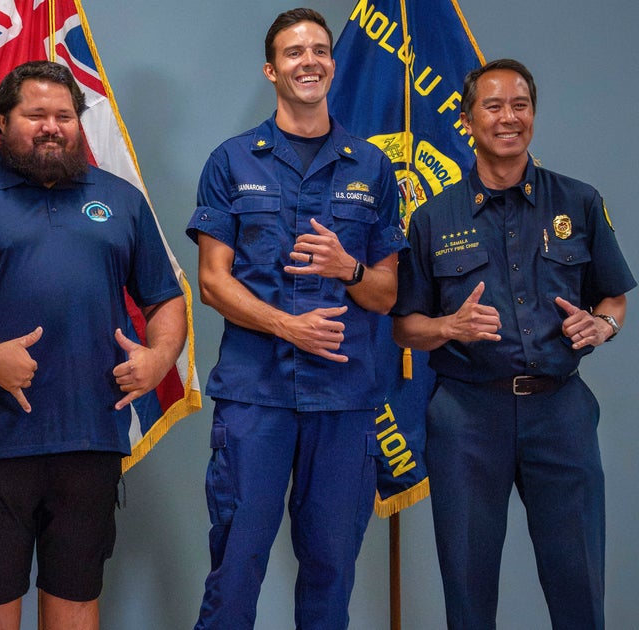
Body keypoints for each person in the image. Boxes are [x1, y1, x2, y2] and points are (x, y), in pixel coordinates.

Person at [0, 60, 186, 630]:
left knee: (77, 592)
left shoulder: (121, 200)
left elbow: (165, 299)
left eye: (64, 116)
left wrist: (159, 358)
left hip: (90, 434)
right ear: (4, 121)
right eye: (36, 115)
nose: (52, 126)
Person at [392, 58, 634, 629]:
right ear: (469, 120)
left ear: (533, 115)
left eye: (520, 106)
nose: (509, 118)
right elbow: (404, 326)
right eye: (494, 107)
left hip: (560, 411)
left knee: (578, 579)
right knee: (468, 585)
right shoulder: (432, 217)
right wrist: (448, 327)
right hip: (468, 417)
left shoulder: (579, 202)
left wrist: (603, 327)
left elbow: (613, 300)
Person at [186, 8, 406, 629]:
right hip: (256, 396)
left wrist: (350, 269)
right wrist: (288, 327)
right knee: (236, 568)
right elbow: (212, 283)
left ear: (333, 65)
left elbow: (388, 294)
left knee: (331, 571)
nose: (308, 61)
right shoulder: (231, 161)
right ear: (271, 69)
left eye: (318, 50)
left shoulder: (371, 166)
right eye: (292, 52)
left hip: (343, 399)